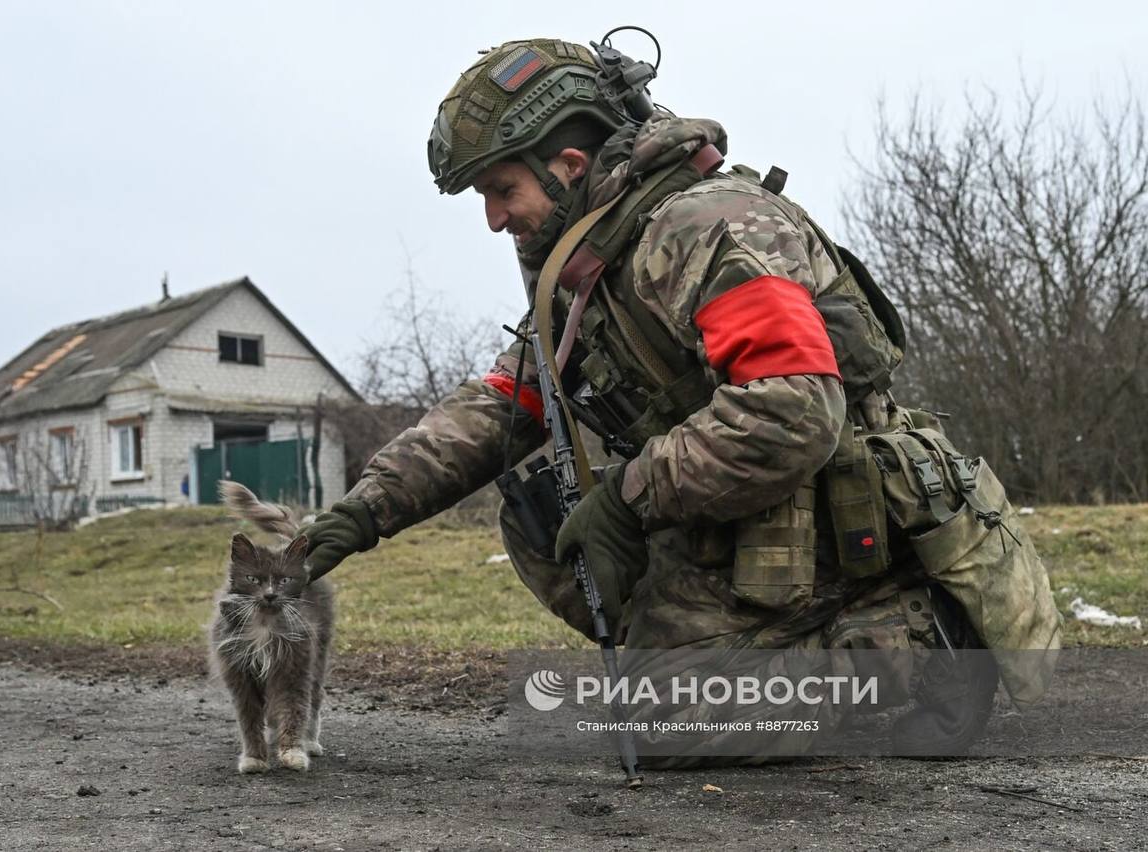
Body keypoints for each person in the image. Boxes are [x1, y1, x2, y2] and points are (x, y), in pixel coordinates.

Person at [292, 36, 1061, 766]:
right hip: (746, 507)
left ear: (567, 163)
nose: (495, 218)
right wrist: (363, 512)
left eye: (501, 190)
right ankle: (705, 660)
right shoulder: (595, 257)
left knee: (672, 725)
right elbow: (509, 398)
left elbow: (792, 410)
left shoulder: (709, 227)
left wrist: (629, 499)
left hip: (838, 514)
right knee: (540, 516)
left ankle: (929, 640)